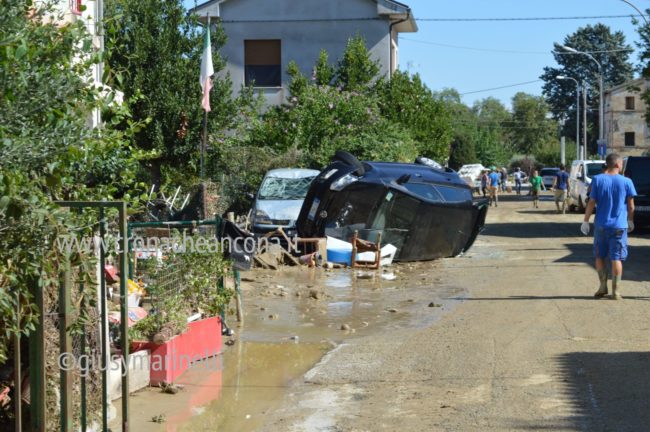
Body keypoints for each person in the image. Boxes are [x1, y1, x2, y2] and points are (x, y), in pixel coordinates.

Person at [581, 153, 636, 300]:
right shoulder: (627, 181)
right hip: (619, 226)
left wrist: (585, 220)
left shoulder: (597, 180)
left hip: (601, 226)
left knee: (599, 255)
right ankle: (616, 291)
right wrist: (630, 220)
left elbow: (591, 202)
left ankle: (602, 286)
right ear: (618, 164)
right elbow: (631, 206)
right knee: (616, 258)